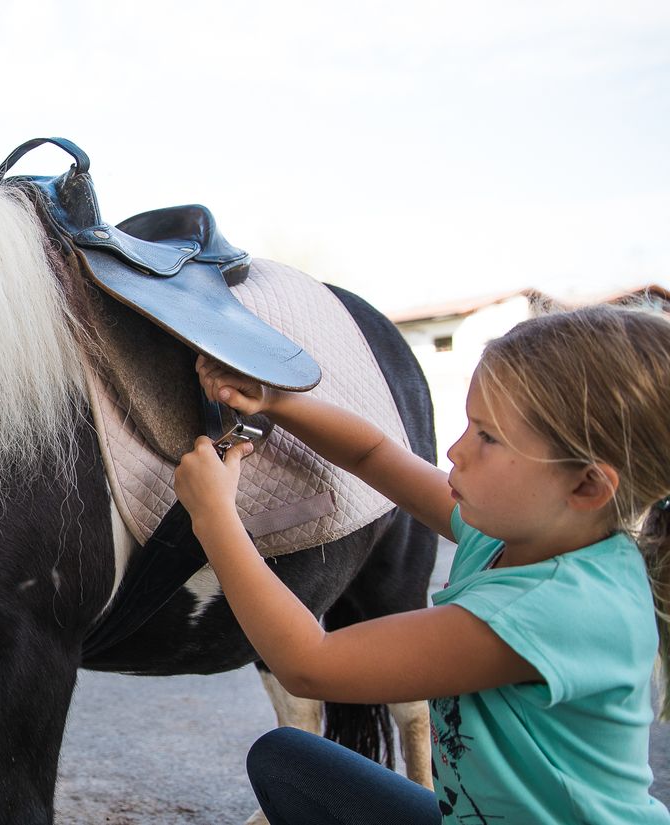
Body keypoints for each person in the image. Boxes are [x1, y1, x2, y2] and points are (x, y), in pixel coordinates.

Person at [173, 304, 670, 824]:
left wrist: (214, 517)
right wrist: (274, 401)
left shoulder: (556, 609)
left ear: (587, 485)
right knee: (287, 762)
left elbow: (308, 664)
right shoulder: (519, 535)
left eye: (488, 437)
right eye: (470, 425)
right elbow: (375, 455)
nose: (455, 450)